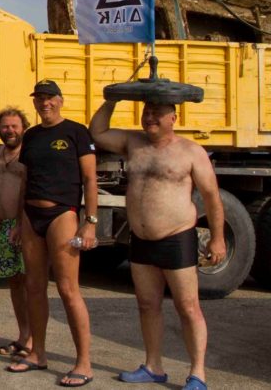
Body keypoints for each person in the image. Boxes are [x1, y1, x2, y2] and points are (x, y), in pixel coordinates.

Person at [90, 100, 226, 390]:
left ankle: (198, 373)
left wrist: (217, 238)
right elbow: (97, 131)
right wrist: (113, 98)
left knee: (187, 307)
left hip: (176, 238)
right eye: (146, 112)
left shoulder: (191, 152)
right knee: (147, 304)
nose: (149, 118)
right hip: (141, 240)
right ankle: (154, 366)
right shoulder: (132, 142)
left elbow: (212, 197)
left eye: (157, 113)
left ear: (174, 117)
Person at [7, 80, 97, 388]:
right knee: (34, 287)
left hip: (63, 214)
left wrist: (91, 221)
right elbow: (26, 178)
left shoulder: (76, 132)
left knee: (68, 289)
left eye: (49, 98)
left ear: (60, 100)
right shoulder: (31, 136)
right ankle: (38, 353)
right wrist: (20, 220)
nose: (44, 103)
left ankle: (83, 363)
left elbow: (89, 179)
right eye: (39, 98)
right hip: (32, 216)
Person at [0, 107, 33, 358]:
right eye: (5, 127)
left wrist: (23, 225)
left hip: (25, 227)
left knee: (31, 282)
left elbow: (32, 192)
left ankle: (34, 339)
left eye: (14, 126)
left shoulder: (30, 154)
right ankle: (23, 335)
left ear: (23, 127)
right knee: (14, 283)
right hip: (2, 228)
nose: (9, 131)